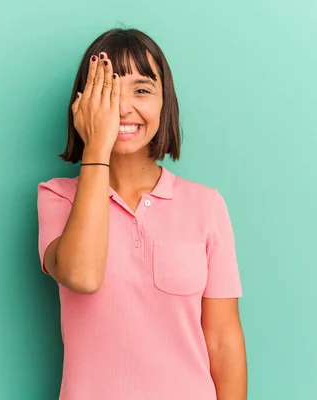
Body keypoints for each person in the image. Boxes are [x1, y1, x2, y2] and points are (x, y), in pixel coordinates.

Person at [37, 28, 247, 400]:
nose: (123, 107)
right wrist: (97, 148)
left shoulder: (206, 205)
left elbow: (222, 342)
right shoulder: (57, 198)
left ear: (166, 103)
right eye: (107, 91)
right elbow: (81, 275)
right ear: (82, 105)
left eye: (142, 90)